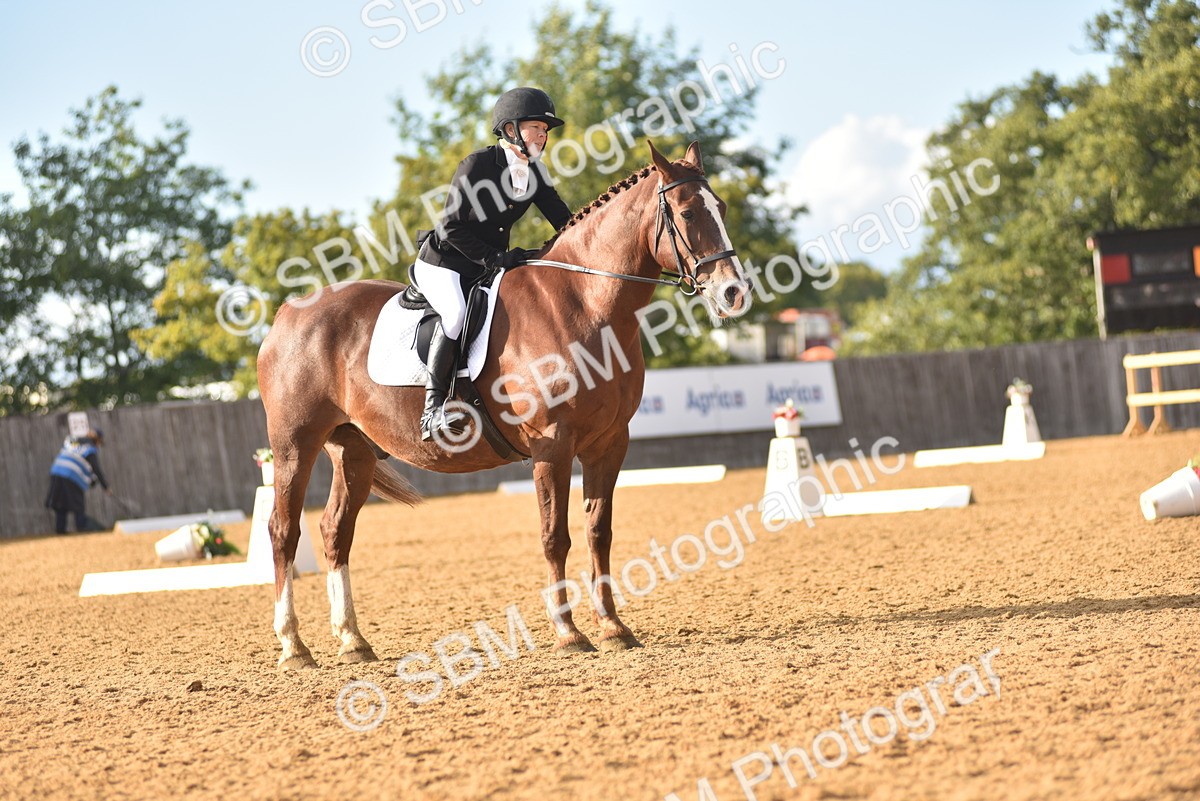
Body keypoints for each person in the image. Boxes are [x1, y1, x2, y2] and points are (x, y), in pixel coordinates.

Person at [412, 86, 573, 441]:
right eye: (537, 127)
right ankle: (432, 410)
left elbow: (565, 222)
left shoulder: (535, 172)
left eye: (546, 131)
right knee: (455, 314)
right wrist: (495, 258)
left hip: (487, 266)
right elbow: (451, 226)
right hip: (445, 262)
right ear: (511, 129)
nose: (543, 136)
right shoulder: (478, 165)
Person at [45, 429, 110, 534]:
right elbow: (96, 469)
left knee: (60, 503)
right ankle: (81, 526)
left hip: (56, 471)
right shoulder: (90, 449)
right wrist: (106, 487)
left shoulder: (74, 443)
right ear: (97, 440)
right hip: (71, 474)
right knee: (78, 503)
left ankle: (60, 529)